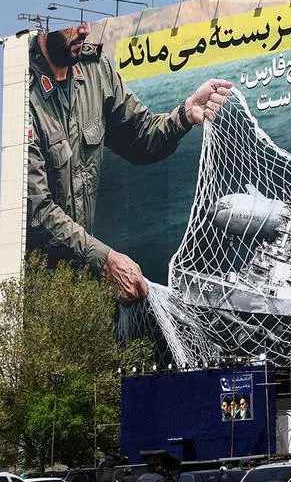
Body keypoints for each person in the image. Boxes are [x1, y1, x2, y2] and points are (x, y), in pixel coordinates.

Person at [26, 22, 233, 302]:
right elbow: (36, 211)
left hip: (82, 279)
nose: (85, 31)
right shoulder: (19, 93)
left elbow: (140, 138)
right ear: (42, 25)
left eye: (87, 21)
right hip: (32, 288)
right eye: (73, 23)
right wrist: (106, 260)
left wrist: (184, 115)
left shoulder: (96, 70)